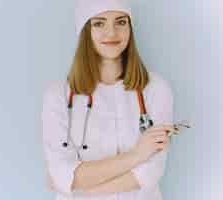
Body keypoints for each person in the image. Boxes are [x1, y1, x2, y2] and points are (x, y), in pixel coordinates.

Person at [41, 0, 177, 199]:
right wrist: (138, 154)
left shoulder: (156, 89)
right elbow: (61, 172)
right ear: (85, 30)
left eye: (121, 22)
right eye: (99, 23)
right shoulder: (58, 95)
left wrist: (76, 184)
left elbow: (149, 173)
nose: (112, 33)